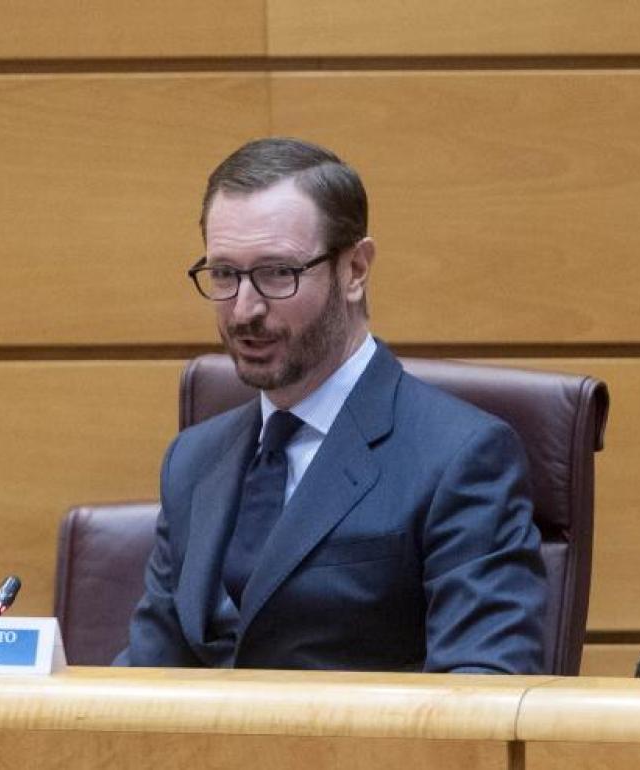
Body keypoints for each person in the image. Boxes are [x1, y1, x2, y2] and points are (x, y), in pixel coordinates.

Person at [115, 137, 545, 673]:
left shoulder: (460, 456)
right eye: (224, 274)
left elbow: (482, 686)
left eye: (278, 273)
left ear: (355, 270)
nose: (244, 310)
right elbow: (145, 677)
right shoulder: (193, 460)